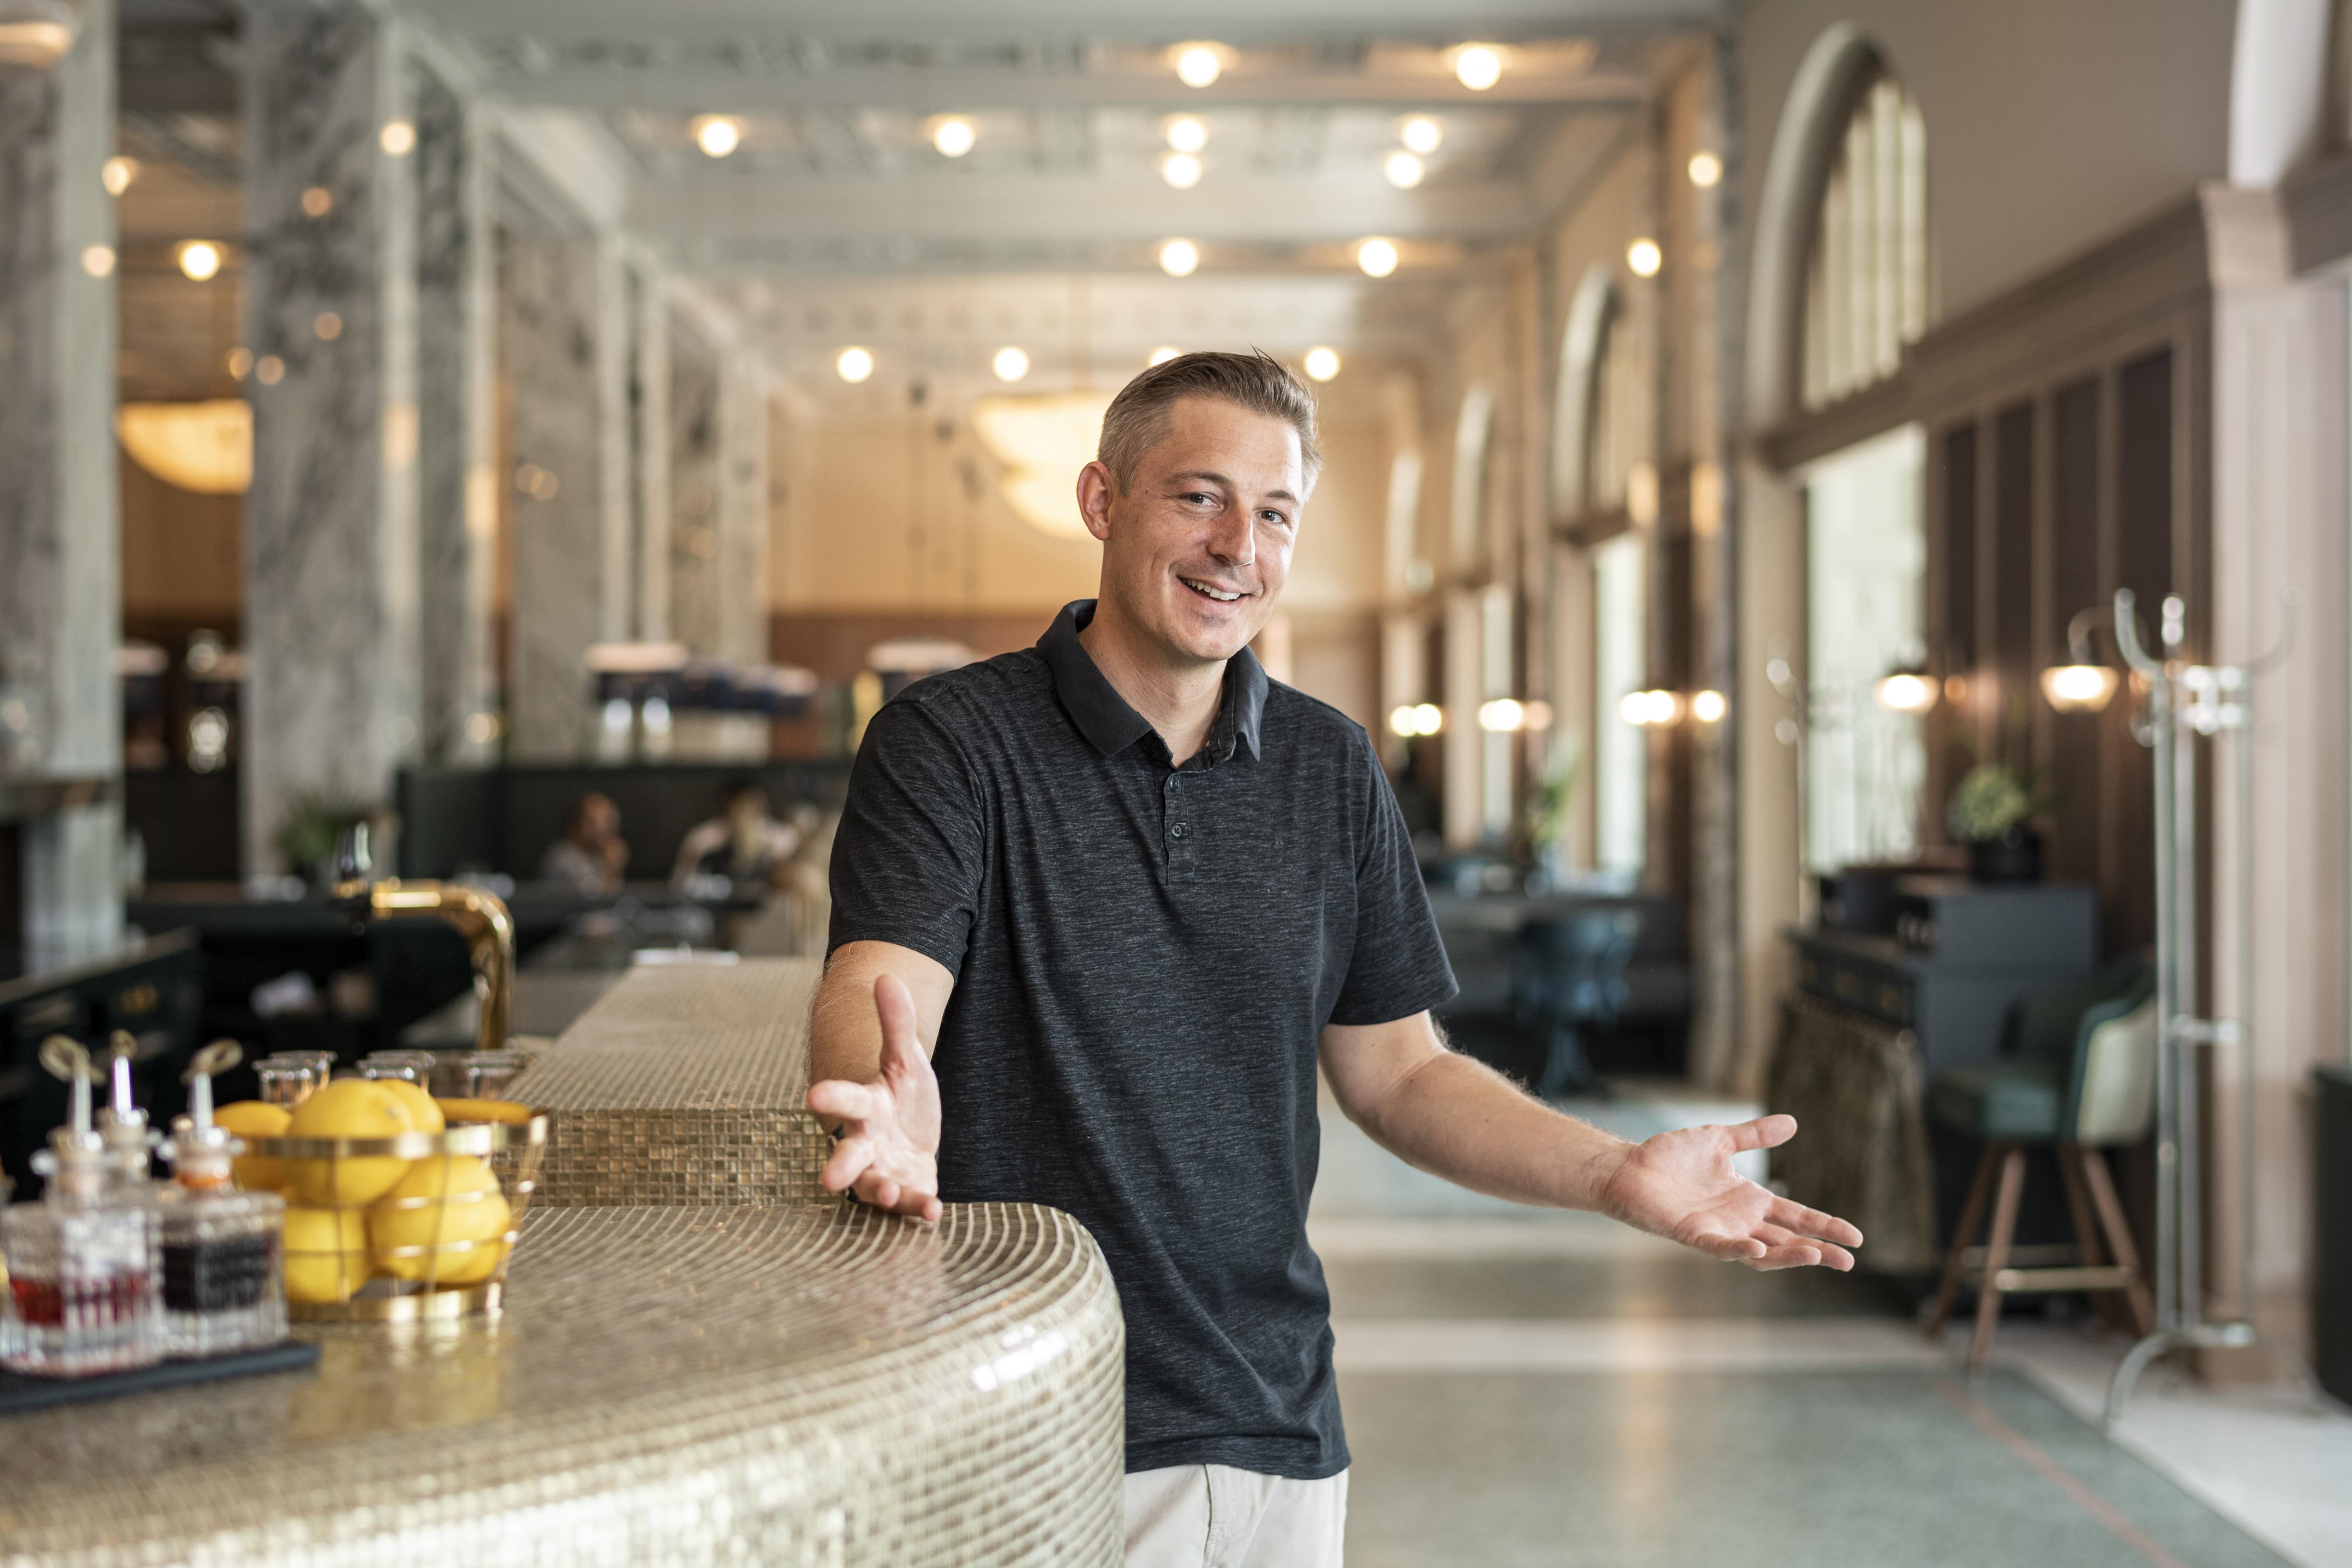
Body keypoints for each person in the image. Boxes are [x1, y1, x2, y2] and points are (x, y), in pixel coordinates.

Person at [808, 351, 1860, 1568]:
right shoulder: (948, 741)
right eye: (1198, 497)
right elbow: (880, 983)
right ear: (1102, 501)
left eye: (1274, 514)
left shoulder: (1330, 764)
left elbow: (1401, 1074)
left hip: (1270, 1421)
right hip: (1011, 1408)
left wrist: (1615, 1172)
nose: (1236, 548)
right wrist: (881, 1098)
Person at [669, 779, 800, 890]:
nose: (745, 809)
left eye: (751, 801)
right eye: (741, 803)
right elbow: (680, 883)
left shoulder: (781, 836)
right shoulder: (704, 837)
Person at [538, 792, 628, 895]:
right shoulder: (562, 858)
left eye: (608, 821)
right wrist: (611, 868)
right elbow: (592, 897)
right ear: (574, 824)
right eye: (593, 823)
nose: (602, 830)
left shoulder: (598, 855)